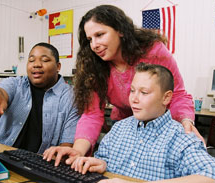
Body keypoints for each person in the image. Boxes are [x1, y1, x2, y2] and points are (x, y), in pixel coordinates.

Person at [43, 4, 203, 165]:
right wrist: (77, 151)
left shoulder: (153, 51)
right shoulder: (95, 66)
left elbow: (177, 94)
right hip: (125, 127)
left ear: (120, 30)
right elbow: (92, 114)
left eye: (100, 35)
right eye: (90, 39)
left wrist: (185, 122)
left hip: (160, 126)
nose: (94, 45)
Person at [72, 63, 215, 183]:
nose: (134, 99)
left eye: (144, 92)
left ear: (166, 98)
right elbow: (104, 159)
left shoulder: (180, 138)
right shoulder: (120, 128)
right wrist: (102, 164)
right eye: (132, 91)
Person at [0, 42, 79, 154]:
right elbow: (2, 91)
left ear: (58, 67)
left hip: (36, 165)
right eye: (31, 60)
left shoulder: (72, 97)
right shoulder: (17, 83)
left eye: (44, 60)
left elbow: (66, 145)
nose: (36, 64)